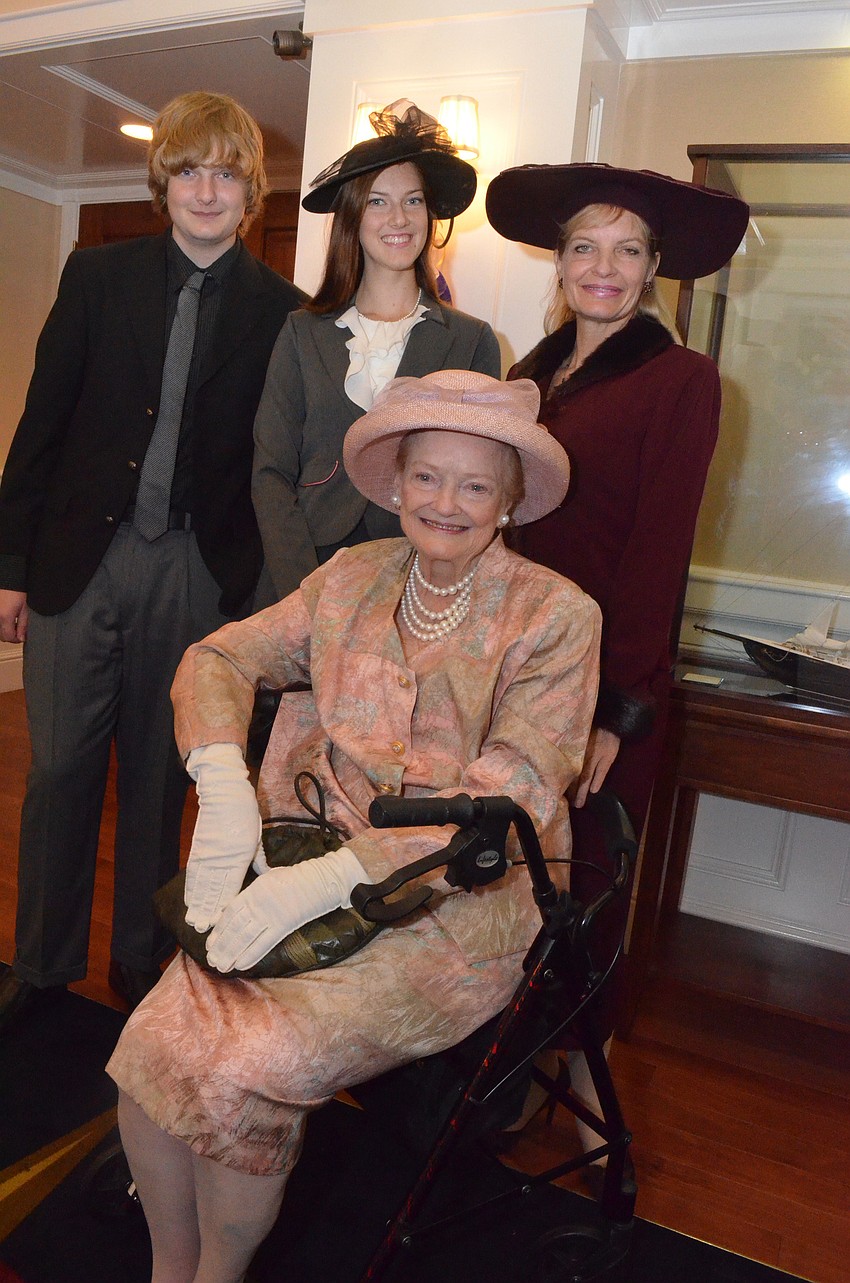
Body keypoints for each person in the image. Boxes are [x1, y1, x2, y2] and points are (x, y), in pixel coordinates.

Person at [105, 369, 601, 1283]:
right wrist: (220, 780)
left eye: (474, 485)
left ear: (509, 502)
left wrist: (340, 876)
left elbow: (512, 792)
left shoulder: (556, 615)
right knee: (148, 1044)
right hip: (304, 860)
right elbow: (221, 654)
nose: (445, 502)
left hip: (463, 904)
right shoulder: (352, 577)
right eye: (427, 476)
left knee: (250, 1061)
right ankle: (170, 1270)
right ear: (397, 479)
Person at [0, 91, 303, 1031]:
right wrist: (9, 566)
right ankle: (41, 967)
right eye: (187, 170)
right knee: (59, 774)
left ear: (250, 192)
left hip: (199, 576)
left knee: (162, 784)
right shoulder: (96, 277)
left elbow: (274, 466)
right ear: (162, 179)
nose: (204, 190)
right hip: (77, 564)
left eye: (224, 173)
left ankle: (139, 963)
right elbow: (38, 426)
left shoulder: (284, 313)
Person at [485, 162, 749, 1147]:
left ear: (652, 270)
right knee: (504, 880)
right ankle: (500, 1072)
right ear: (557, 261)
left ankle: (589, 1105)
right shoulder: (528, 374)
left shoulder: (679, 377)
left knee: (582, 892)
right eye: (584, 245)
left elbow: (657, 556)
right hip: (509, 668)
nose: (604, 265)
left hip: (601, 681)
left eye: (627, 249)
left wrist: (614, 706)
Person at [252, 99, 501, 603]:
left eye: (413, 200)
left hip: (420, 581)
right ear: (353, 218)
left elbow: (480, 481)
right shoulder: (302, 333)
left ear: (430, 215)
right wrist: (306, 591)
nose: (399, 217)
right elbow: (271, 471)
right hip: (303, 572)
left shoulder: (472, 341)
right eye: (378, 201)